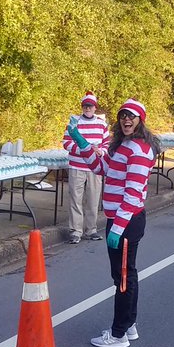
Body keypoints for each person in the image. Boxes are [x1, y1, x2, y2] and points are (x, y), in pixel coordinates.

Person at [66, 99, 159, 347]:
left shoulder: (139, 150)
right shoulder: (123, 146)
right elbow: (101, 167)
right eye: (122, 116)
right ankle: (129, 325)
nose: (126, 120)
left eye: (131, 116)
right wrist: (80, 140)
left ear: (141, 120)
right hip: (121, 220)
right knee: (125, 275)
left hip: (126, 222)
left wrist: (117, 228)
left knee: (124, 278)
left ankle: (118, 334)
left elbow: (132, 193)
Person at [62, 92, 111, 244]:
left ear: (95, 108)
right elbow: (66, 143)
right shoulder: (73, 122)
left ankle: (91, 229)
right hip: (77, 165)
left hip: (95, 167)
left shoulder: (102, 124)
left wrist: (100, 151)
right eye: (85, 106)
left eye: (90, 106)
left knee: (93, 199)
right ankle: (75, 231)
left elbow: (107, 144)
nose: (87, 108)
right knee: (75, 199)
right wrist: (84, 150)